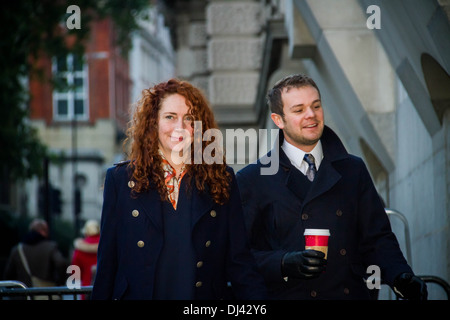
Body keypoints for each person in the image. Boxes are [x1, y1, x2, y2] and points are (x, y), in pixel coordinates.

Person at [236, 74, 427, 300]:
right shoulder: (253, 178)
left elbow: (377, 238)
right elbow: (239, 255)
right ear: (278, 120)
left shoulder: (353, 170)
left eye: (316, 106)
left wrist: (399, 275)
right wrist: (283, 263)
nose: (311, 115)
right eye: (299, 110)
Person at [91, 78, 267, 300]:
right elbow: (107, 265)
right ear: (153, 123)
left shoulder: (221, 179)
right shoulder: (120, 180)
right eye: (170, 117)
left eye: (189, 119)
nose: (180, 127)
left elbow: (240, 262)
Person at [3, 218, 68, 288]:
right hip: (46, 292)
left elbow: (8, 274)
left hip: (23, 292)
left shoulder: (17, 250)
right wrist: (59, 281)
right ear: (43, 231)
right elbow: (61, 263)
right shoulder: (50, 247)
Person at [71, 219, 100, 299]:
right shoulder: (106, 245)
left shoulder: (79, 249)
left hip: (86, 287)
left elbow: (75, 271)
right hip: (105, 286)